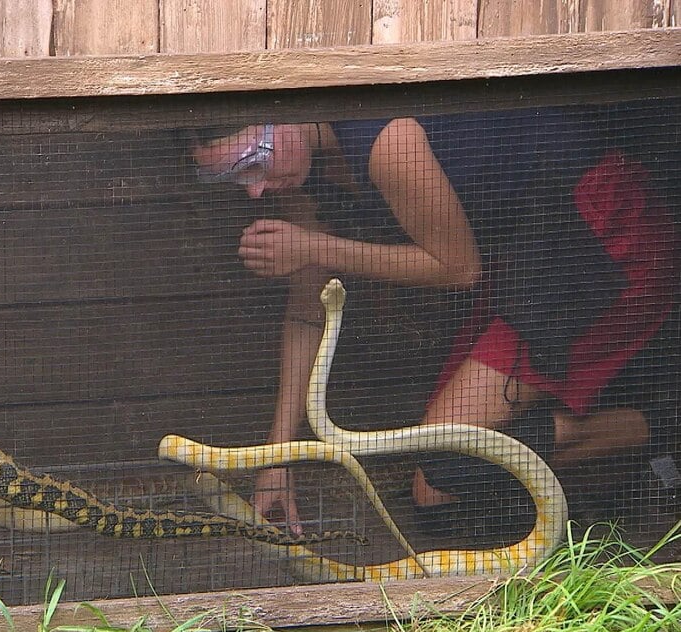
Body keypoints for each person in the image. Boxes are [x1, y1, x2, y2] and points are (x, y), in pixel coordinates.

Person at [191, 105, 678, 536]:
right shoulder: (301, 171)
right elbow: (306, 311)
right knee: (437, 487)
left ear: (286, 112)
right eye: (232, 177)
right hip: (530, 261)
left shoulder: (386, 139)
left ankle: (662, 430)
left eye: (252, 161)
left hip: (602, 243)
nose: (254, 189)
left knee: (448, 467)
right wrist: (277, 461)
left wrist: (314, 246)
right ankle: (629, 448)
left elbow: (458, 268)